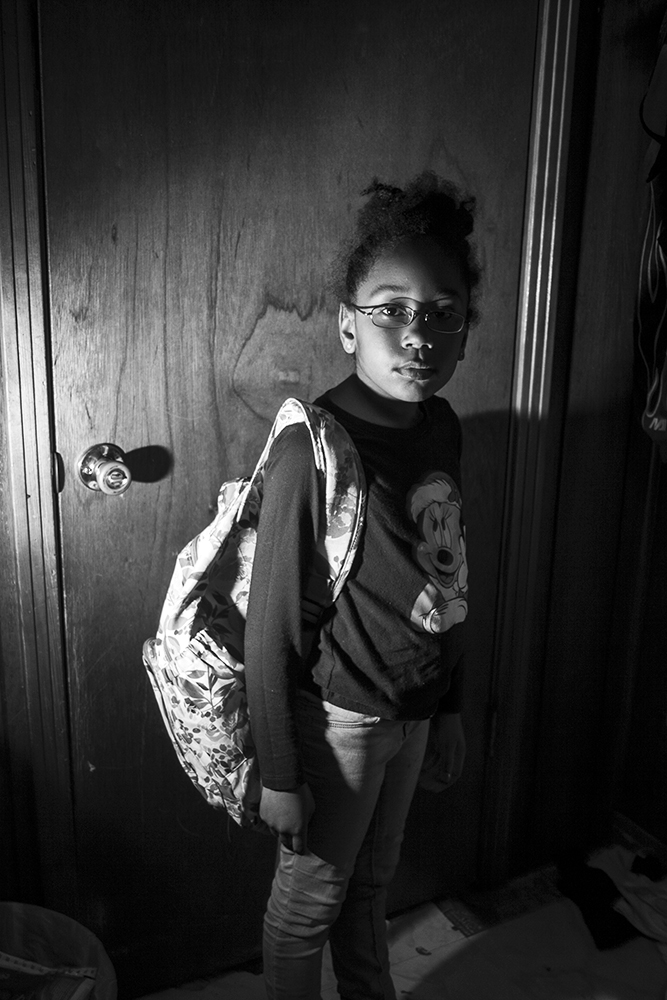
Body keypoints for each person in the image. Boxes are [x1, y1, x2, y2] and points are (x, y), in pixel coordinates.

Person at [244, 171, 480, 1000]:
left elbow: (448, 577)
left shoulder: (440, 426)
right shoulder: (312, 446)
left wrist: (448, 707)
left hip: (414, 710)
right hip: (341, 717)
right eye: (390, 310)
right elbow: (269, 625)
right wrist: (278, 772)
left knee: (370, 889)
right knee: (307, 904)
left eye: (441, 313)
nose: (417, 334)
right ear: (348, 326)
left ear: (464, 331)